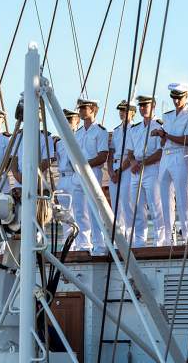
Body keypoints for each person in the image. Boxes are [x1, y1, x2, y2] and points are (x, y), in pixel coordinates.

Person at [154, 83, 188, 244]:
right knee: (165, 201)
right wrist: (161, 136)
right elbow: (165, 140)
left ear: (186, 97)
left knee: (182, 199)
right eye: (174, 98)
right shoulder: (167, 116)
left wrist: (166, 135)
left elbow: (186, 140)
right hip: (166, 156)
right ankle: (168, 239)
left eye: (179, 98)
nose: (176, 101)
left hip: (180, 155)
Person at [127, 95, 168, 247]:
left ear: (153, 106)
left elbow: (160, 152)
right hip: (136, 170)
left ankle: (160, 241)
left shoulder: (160, 126)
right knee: (137, 207)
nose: (143, 108)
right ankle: (139, 241)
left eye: (146, 105)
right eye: (141, 106)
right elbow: (130, 152)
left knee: (156, 206)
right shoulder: (135, 128)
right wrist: (133, 163)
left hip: (152, 168)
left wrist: (142, 163)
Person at [72, 98, 108, 254]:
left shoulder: (100, 131)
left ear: (92, 109)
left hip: (93, 172)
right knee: (79, 211)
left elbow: (103, 156)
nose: (80, 111)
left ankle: (99, 245)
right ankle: (84, 245)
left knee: (94, 211)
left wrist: (84, 164)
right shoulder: (78, 132)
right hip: (78, 174)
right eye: (80, 108)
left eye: (83, 108)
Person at [107, 100, 143, 240]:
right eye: (121, 111)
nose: (122, 113)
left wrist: (119, 171)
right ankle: (119, 239)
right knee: (115, 207)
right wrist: (111, 172)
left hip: (126, 169)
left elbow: (130, 154)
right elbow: (111, 153)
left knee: (127, 204)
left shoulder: (135, 129)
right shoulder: (116, 131)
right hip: (115, 169)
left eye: (125, 111)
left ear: (133, 113)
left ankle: (131, 238)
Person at [54, 109, 79, 239]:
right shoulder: (59, 143)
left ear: (77, 121)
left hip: (74, 176)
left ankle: (81, 243)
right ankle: (68, 242)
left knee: (78, 212)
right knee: (64, 214)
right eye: (65, 120)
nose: (67, 123)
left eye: (70, 120)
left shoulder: (79, 138)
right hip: (63, 177)